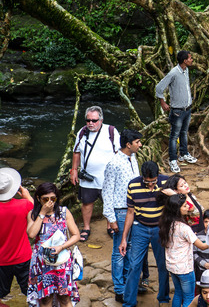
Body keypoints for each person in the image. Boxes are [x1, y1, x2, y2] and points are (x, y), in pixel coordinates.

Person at [119, 161, 170, 307]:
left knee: (163, 265)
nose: (150, 185)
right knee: (134, 265)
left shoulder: (166, 182)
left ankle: (163, 299)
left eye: (153, 182)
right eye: (147, 182)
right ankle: (129, 302)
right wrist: (124, 239)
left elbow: (180, 198)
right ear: (142, 177)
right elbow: (130, 212)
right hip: (140, 228)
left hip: (160, 228)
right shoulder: (133, 185)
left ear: (158, 176)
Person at [102, 129, 145, 303]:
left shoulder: (133, 158)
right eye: (137, 142)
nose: (140, 145)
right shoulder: (114, 163)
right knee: (119, 252)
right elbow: (107, 192)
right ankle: (119, 289)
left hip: (134, 210)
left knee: (131, 249)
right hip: (120, 211)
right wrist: (111, 218)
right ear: (128, 144)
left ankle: (129, 283)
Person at [70, 105, 120, 242]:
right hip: (88, 177)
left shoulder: (111, 131)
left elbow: (118, 153)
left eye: (94, 120)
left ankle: (110, 226)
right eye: (88, 120)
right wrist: (74, 170)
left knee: (109, 202)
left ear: (101, 120)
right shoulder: (82, 132)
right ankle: (86, 227)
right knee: (87, 203)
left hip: (108, 178)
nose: (91, 123)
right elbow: (76, 152)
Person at [25, 183, 80, 307]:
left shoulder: (64, 212)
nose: (49, 202)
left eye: (53, 199)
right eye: (45, 199)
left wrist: (62, 247)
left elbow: (76, 235)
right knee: (45, 298)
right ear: (38, 198)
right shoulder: (33, 214)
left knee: (64, 296)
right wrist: (42, 213)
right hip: (41, 262)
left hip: (62, 259)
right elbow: (32, 234)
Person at [159, 194, 209, 307]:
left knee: (178, 294)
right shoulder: (184, 228)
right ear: (177, 209)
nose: (188, 207)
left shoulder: (166, 223)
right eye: (185, 205)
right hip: (185, 268)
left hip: (172, 266)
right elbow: (202, 246)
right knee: (189, 298)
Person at [156, 50, 198, 173]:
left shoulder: (186, 70)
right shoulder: (174, 73)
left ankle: (184, 154)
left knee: (184, 133)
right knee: (174, 136)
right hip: (177, 111)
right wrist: (162, 102)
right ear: (184, 60)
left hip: (187, 109)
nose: (191, 60)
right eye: (190, 58)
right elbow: (159, 87)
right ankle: (173, 160)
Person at [0, 168, 34, 306]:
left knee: (1, 291)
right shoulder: (24, 205)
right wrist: (26, 194)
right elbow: (36, 208)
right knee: (31, 290)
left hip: (1, 260)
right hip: (23, 257)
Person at [194, 209, 209, 283]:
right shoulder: (198, 236)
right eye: (206, 221)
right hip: (201, 269)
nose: (208, 224)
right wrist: (204, 264)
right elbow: (194, 253)